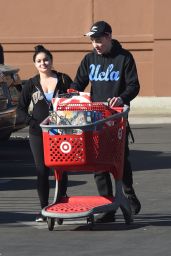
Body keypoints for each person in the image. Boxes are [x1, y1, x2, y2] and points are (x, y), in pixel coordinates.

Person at [70, 21, 141, 223]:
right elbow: (78, 83)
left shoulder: (124, 58)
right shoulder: (89, 59)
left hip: (116, 119)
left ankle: (128, 193)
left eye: (99, 40)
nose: (96, 44)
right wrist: (72, 93)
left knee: (120, 160)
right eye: (93, 40)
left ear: (109, 37)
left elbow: (134, 86)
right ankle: (108, 206)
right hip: (94, 119)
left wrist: (122, 98)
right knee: (97, 164)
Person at [17, 45, 73, 222]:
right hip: (38, 134)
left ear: (51, 61)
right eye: (39, 61)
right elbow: (20, 110)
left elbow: (74, 101)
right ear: (35, 64)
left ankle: (60, 206)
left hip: (61, 132)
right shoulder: (31, 84)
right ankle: (44, 209)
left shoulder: (64, 79)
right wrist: (33, 123)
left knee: (61, 169)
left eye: (46, 60)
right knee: (42, 170)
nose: (43, 63)